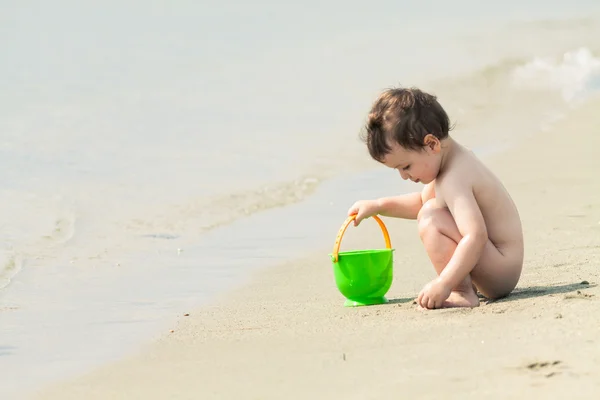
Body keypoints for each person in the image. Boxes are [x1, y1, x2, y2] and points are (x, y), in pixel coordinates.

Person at [348, 87, 524, 309]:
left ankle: (462, 293)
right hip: (499, 265)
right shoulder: (449, 163)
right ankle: (463, 287)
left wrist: (445, 283)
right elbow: (421, 202)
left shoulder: (455, 178)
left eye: (406, 166)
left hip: (501, 271)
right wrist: (378, 205)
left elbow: (475, 235)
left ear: (431, 144)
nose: (404, 176)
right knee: (429, 210)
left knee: (431, 217)